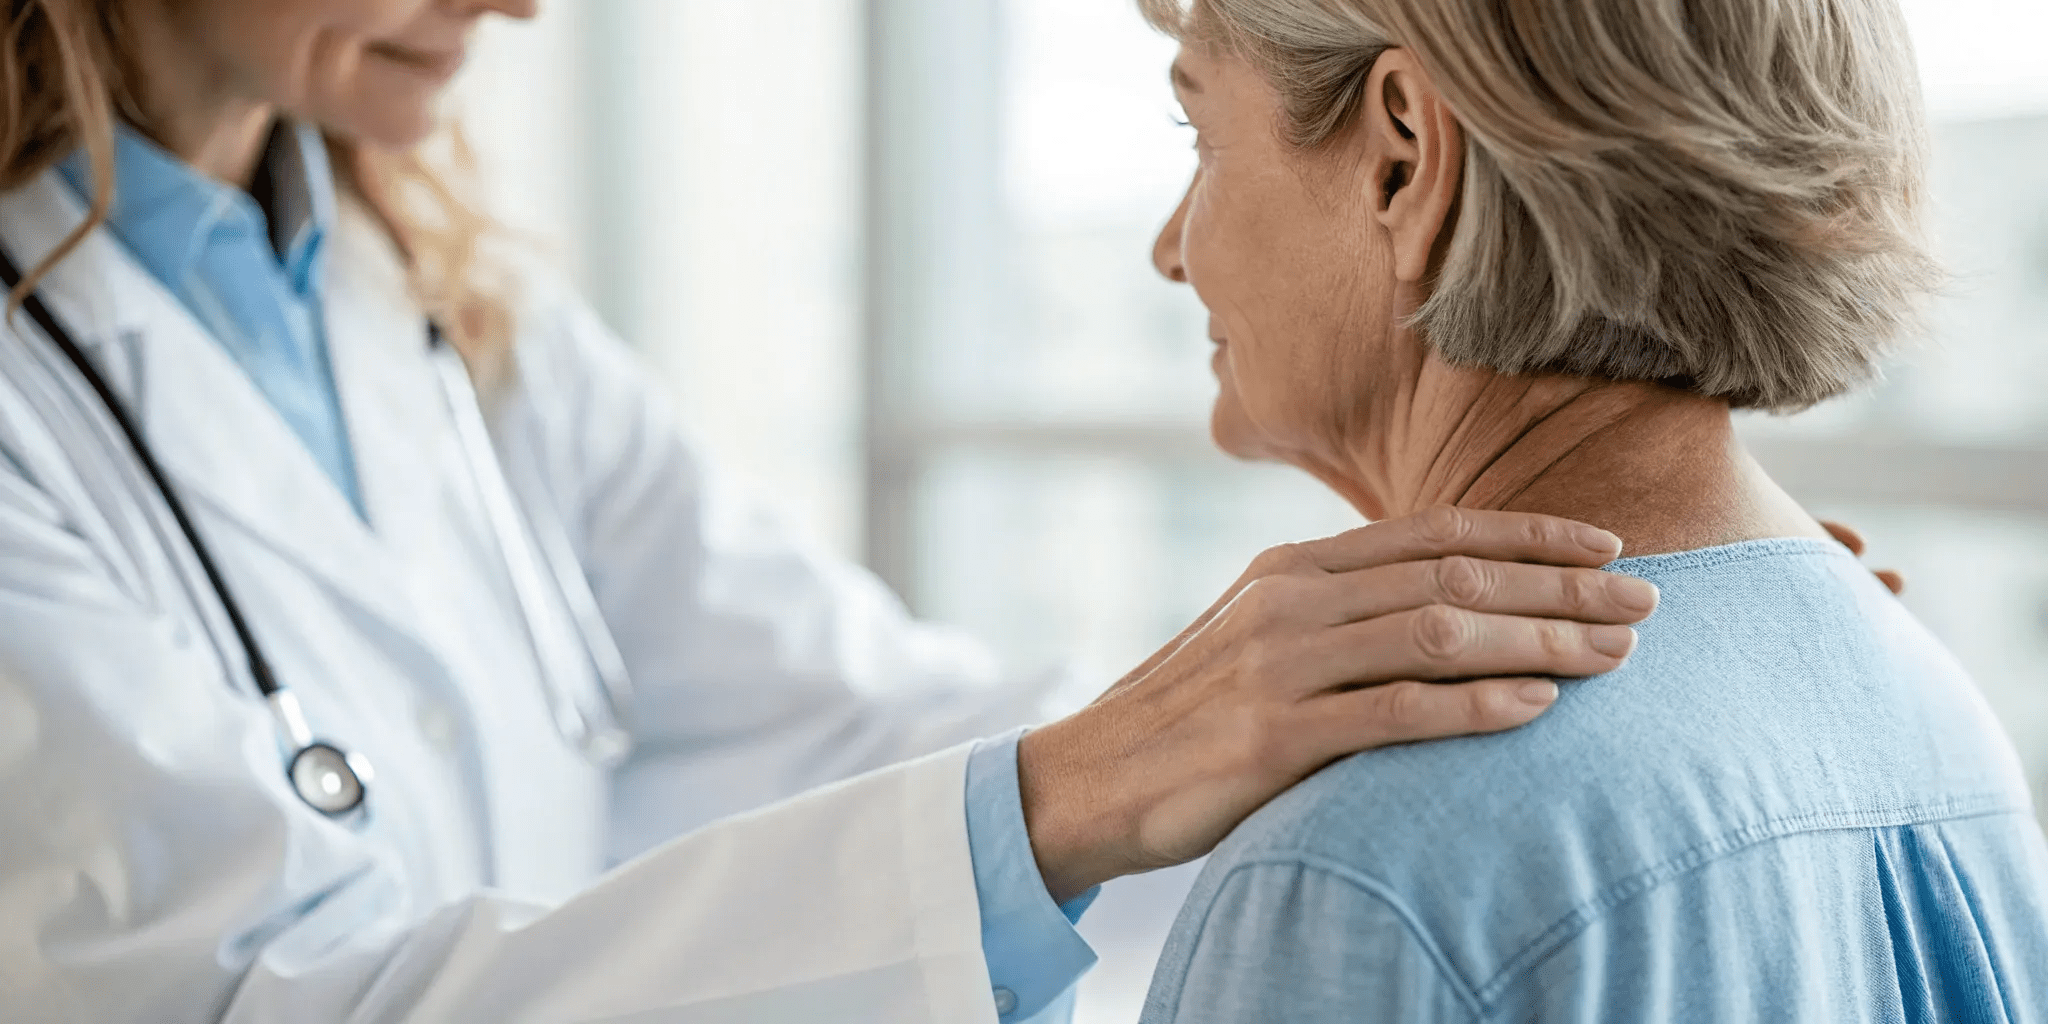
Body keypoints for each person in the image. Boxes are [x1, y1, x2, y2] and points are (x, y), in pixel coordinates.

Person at [0, 1, 1678, 1021]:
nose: (517, 5)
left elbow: (863, 714)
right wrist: (1079, 789)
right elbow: (264, 995)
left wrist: (1383, 718)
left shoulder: (447, 313)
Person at [1133, 0, 2048, 1020]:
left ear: (1402, 159)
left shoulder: (1349, 872)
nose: (1170, 250)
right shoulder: (1938, 711)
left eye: (1202, 139)